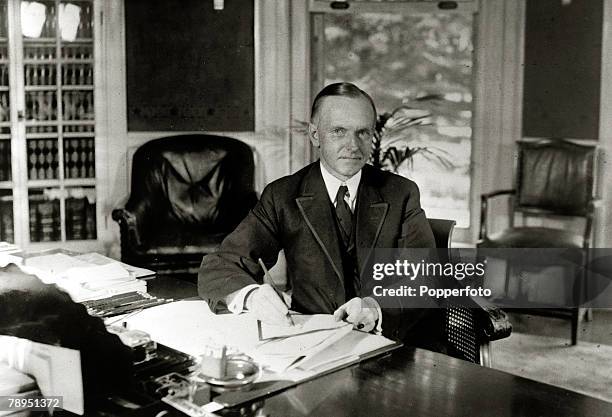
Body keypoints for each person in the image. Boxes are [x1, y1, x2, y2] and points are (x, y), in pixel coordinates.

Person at [198, 82, 439, 344]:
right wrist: (251, 295)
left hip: (388, 343)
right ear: (315, 135)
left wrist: (376, 306)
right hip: (312, 344)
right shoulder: (283, 196)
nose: (353, 145)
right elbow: (220, 266)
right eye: (338, 131)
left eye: (363, 133)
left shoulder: (400, 193)